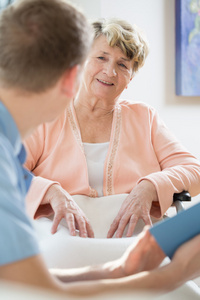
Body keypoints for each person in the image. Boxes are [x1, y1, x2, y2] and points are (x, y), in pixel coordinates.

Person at [24, 18, 200, 238]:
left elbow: (194, 171)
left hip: (137, 241)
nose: (110, 71)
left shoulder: (144, 117)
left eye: (123, 64)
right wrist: (51, 191)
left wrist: (150, 187)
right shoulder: (45, 115)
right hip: (60, 236)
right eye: (101, 58)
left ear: (131, 77)